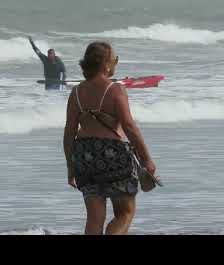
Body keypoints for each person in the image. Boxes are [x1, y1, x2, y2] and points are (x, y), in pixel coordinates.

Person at [63, 41, 157, 235]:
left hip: (84, 155)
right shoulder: (115, 89)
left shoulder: (76, 92)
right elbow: (129, 126)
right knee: (125, 212)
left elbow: (69, 132)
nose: (116, 62)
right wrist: (146, 158)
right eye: (115, 59)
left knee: (94, 218)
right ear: (106, 63)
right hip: (112, 154)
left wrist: (71, 165)